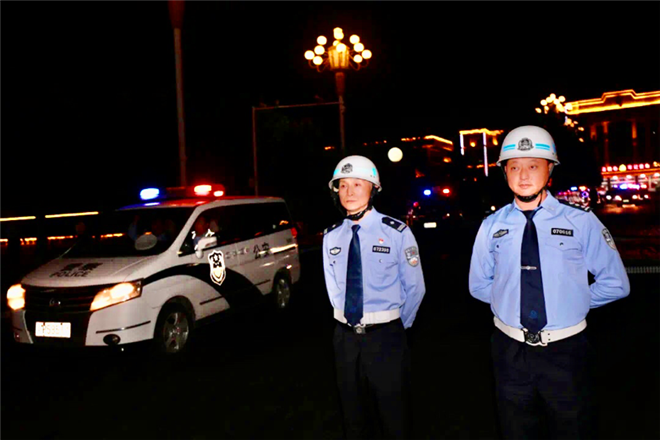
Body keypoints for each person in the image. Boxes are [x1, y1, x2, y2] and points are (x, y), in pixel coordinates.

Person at [468, 125, 630, 439]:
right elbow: (479, 284)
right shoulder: (491, 226)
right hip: (509, 351)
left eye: (533, 166)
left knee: (574, 431)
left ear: (550, 169)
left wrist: (568, 299)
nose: (523, 176)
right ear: (504, 172)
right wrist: (512, 302)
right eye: (514, 167)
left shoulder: (580, 221)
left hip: (565, 352)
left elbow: (615, 284)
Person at [322, 155, 426, 439]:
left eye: (358, 184)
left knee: (394, 419)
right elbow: (334, 290)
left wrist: (395, 326)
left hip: (386, 337)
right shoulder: (331, 236)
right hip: (344, 339)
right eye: (343, 185)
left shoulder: (396, 232)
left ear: (373, 188)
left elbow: (415, 288)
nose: (349, 192)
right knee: (352, 419)